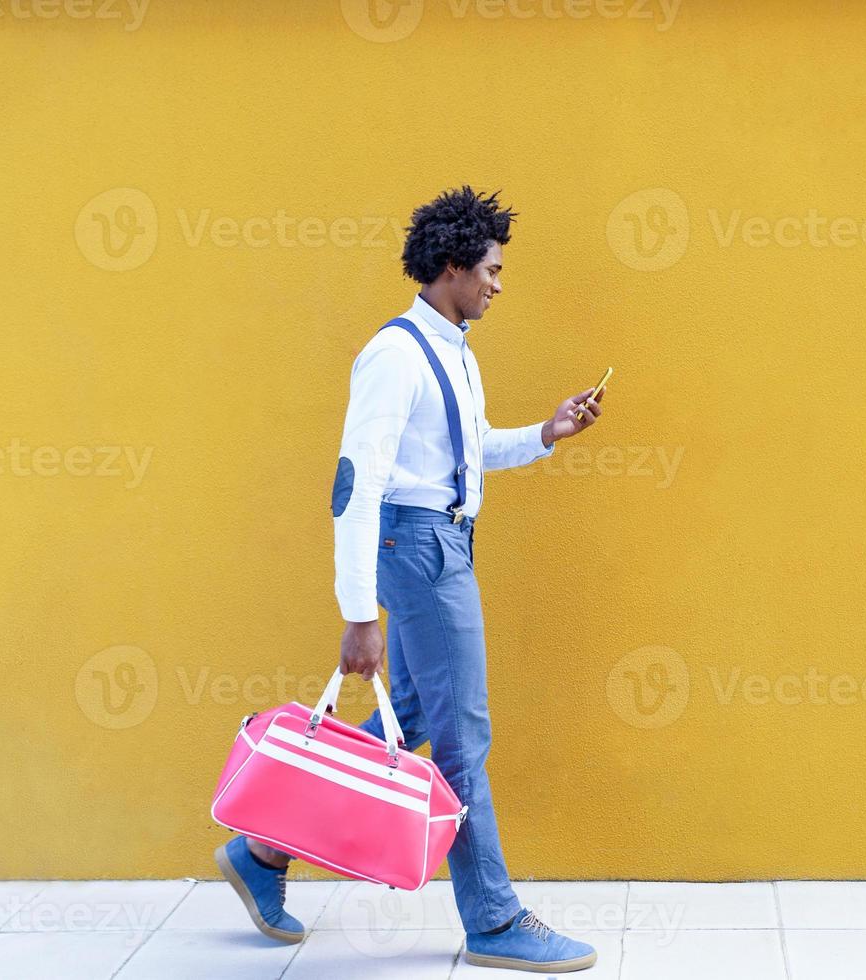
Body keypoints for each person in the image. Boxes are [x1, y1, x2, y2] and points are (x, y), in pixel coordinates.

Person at [214, 186, 603, 973]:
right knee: (464, 739)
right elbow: (357, 485)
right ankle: (494, 918)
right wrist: (360, 614)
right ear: (454, 266)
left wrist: (547, 432)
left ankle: (263, 844)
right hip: (421, 550)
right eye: (491, 269)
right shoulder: (393, 355)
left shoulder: (454, 351)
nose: (499, 283)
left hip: (444, 544)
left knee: (423, 711)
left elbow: (461, 453)